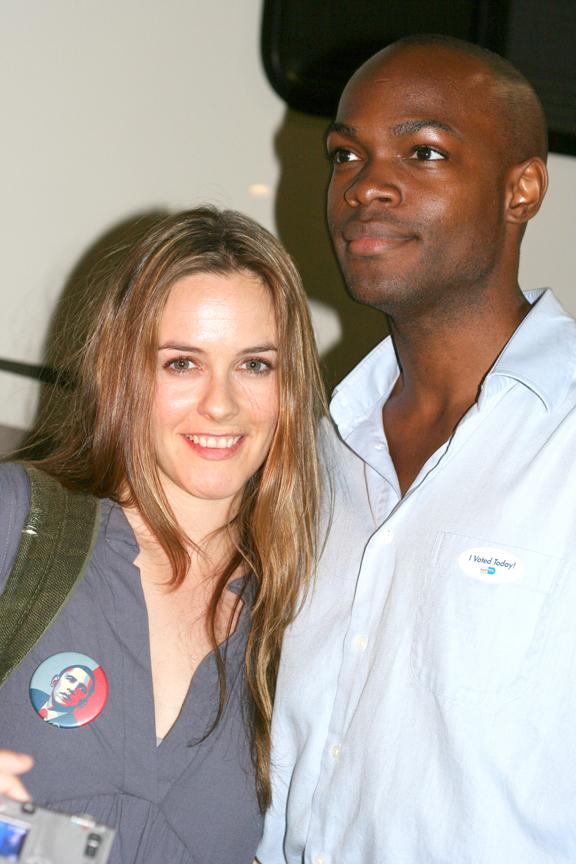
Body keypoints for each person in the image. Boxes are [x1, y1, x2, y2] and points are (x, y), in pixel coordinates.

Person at [257, 34, 576, 863]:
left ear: (523, 189)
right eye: (345, 155)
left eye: (423, 151)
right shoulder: (311, 448)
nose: (366, 185)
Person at [0, 206, 327, 864]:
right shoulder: (20, 525)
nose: (221, 403)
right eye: (183, 363)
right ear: (126, 372)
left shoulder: (301, 621)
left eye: (255, 366)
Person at [30, 663, 97, 725]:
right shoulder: (35, 693)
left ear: (83, 703)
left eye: (82, 689)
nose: (72, 689)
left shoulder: (72, 723)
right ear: (54, 681)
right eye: (70, 679)